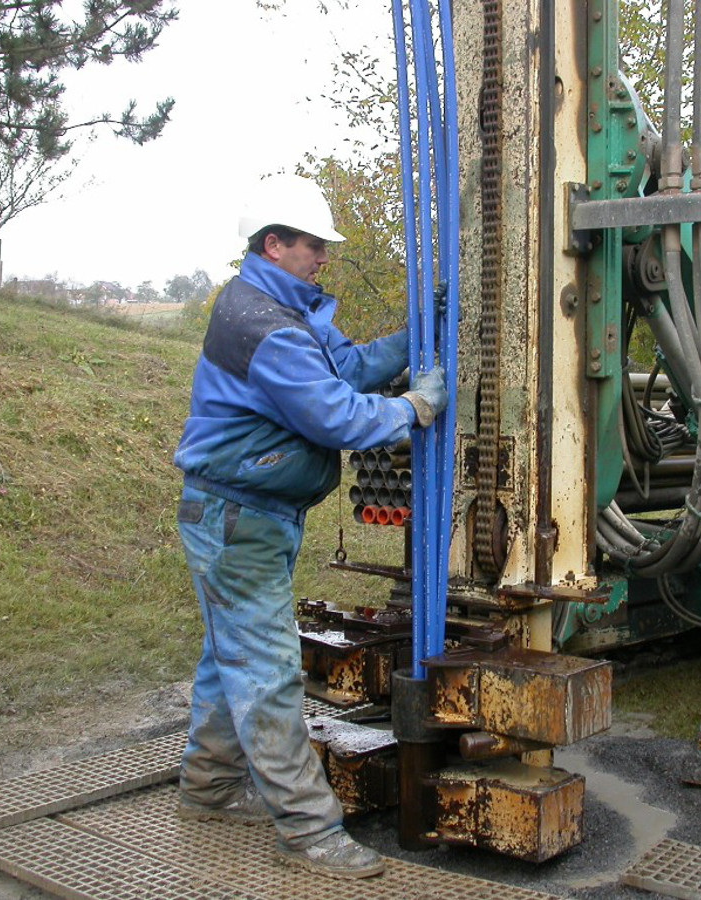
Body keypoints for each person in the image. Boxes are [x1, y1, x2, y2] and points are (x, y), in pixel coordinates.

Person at [171, 174, 446, 879]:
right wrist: (413, 408)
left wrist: (422, 332)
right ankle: (310, 832)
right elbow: (339, 413)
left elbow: (348, 367)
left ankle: (207, 789)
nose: (323, 256)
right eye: (313, 245)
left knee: (224, 659)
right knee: (264, 674)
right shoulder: (261, 326)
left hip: (248, 517)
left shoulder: (281, 310)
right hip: (238, 521)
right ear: (275, 244)